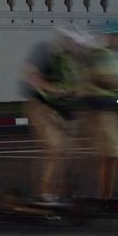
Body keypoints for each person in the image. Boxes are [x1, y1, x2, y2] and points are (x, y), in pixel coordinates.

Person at [21, 28, 89, 203]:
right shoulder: (46, 52)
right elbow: (32, 78)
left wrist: (78, 93)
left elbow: (79, 88)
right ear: (68, 41)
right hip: (43, 107)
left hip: (65, 112)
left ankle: (65, 192)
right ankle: (46, 194)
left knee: (73, 154)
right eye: (77, 45)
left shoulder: (75, 62)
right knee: (56, 150)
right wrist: (56, 89)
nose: (80, 50)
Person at [82, 19, 118, 200]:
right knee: (110, 155)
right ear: (112, 37)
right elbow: (107, 80)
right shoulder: (102, 55)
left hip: (108, 111)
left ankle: (104, 194)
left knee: (112, 156)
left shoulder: (108, 57)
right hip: (101, 111)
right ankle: (104, 198)